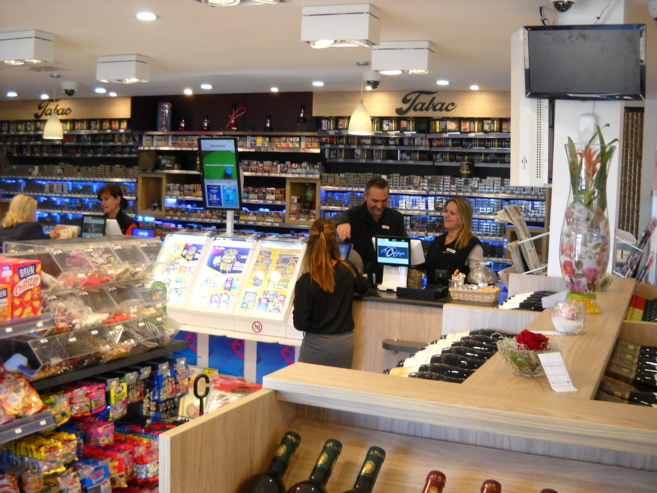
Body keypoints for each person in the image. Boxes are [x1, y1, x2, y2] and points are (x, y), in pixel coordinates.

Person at [293, 219, 369, 369]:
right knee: (338, 383)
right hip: (344, 344)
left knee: (307, 383)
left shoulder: (306, 281)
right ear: (335, 242)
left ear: (310, 245)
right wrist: (344, 262)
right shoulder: (348, 269)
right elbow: (364, 286)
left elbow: (300, 323)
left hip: (316, 345)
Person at [331, 176, 407, 283]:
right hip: (358, 281)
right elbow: (331, 224)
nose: (379, 206)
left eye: (384, 201)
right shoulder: (352, 215)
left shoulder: (396, 218)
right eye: (375, 201)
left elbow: (406, 248)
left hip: (388, 280)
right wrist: (340, 224)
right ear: (365, 196)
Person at [424, 196, 484, 285]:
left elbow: (477, 280)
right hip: (431, 293)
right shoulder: (437, 241)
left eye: (452, 213)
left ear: (463, 218)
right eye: (446, 211)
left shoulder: (472, 245)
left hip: (456, 294)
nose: (446, 215)